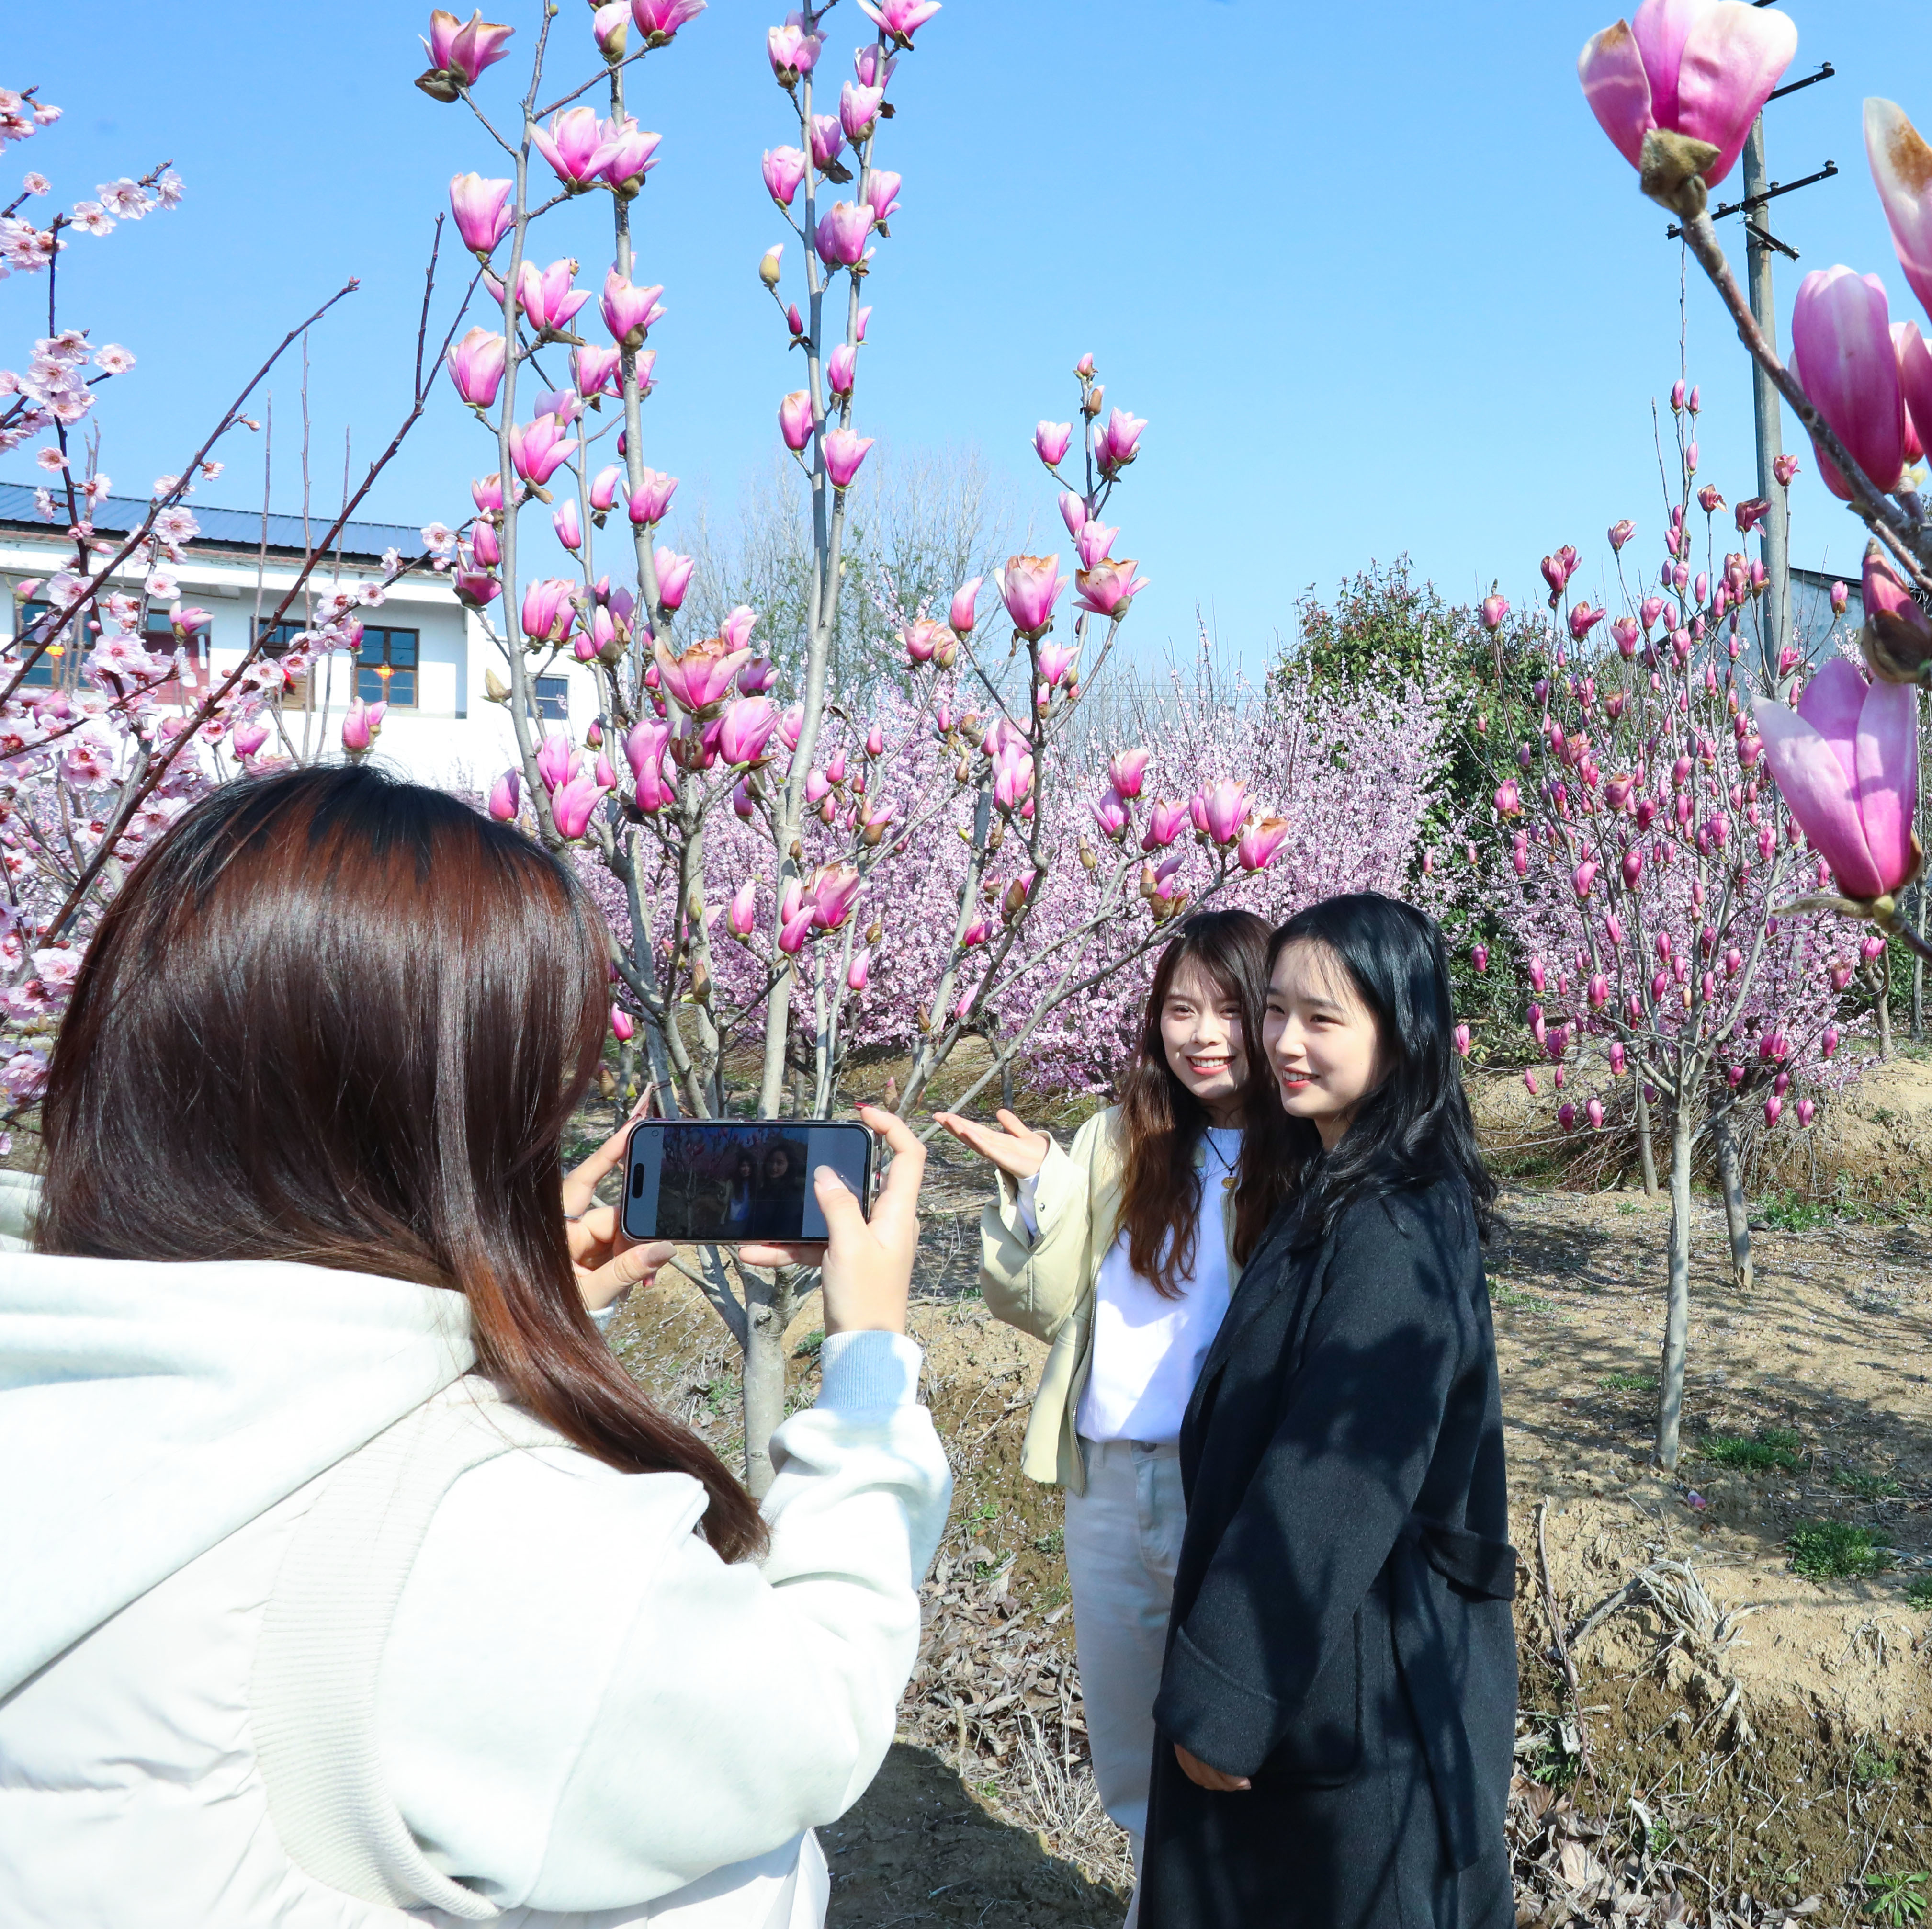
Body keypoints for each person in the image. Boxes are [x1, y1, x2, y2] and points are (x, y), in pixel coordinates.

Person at [0, 766, 949, 1928]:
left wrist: (498, 1320)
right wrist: (868, 1370)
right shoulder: (494, 1539)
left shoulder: (52, 1373)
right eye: (535, 1100)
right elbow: (813, 1715)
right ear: (447, 1129)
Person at [1138, 892, 1516, 1929]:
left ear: (1400, 1033)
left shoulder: (1394, 1224)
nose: (1283, 1042)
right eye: (1276, 1011)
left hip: (1349, 1676)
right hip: (1331, 1656)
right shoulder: (1343, 1177)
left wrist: (1229, 1690)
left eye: (1321, 1018)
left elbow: (1337, 1476)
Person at [936, 908, 1287, 1906]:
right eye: (1181, 1009)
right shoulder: (1121, 1136)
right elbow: (1043, 1304)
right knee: (1132, 1739)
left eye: (1230, 1008)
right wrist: (1042, 1187)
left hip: (1221, 1484)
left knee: (1228, 1730)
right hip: (1106, 1478)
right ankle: (1155, 1898)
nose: (1203, 1034)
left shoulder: (1300, 1152)